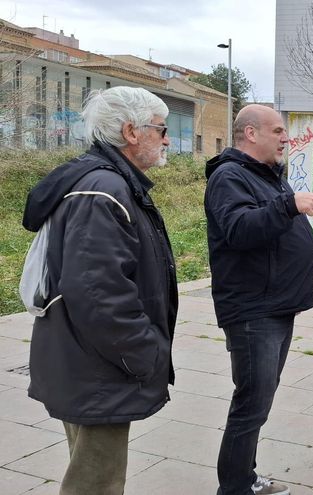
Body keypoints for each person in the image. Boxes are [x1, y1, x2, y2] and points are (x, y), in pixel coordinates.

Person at [21, 86, 178, 495]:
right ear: (131, 131)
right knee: (95, 484)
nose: (167, 139)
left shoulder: (105, 183)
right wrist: (144, 354)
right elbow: (100, 296)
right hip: (98, 368)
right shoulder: (104, 191)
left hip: (88, 363)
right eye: (161, 130)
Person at [204, 104, 313, 495]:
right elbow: (239, 229)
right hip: (252, 311)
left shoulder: (266, 177)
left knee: (258, 402)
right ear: (250, 134)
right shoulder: (230, 177)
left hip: (276, 306)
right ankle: (234, 488)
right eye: (278, 130)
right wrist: (289, 204)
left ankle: (245, 477)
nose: (285, 138)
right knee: (250, 405)